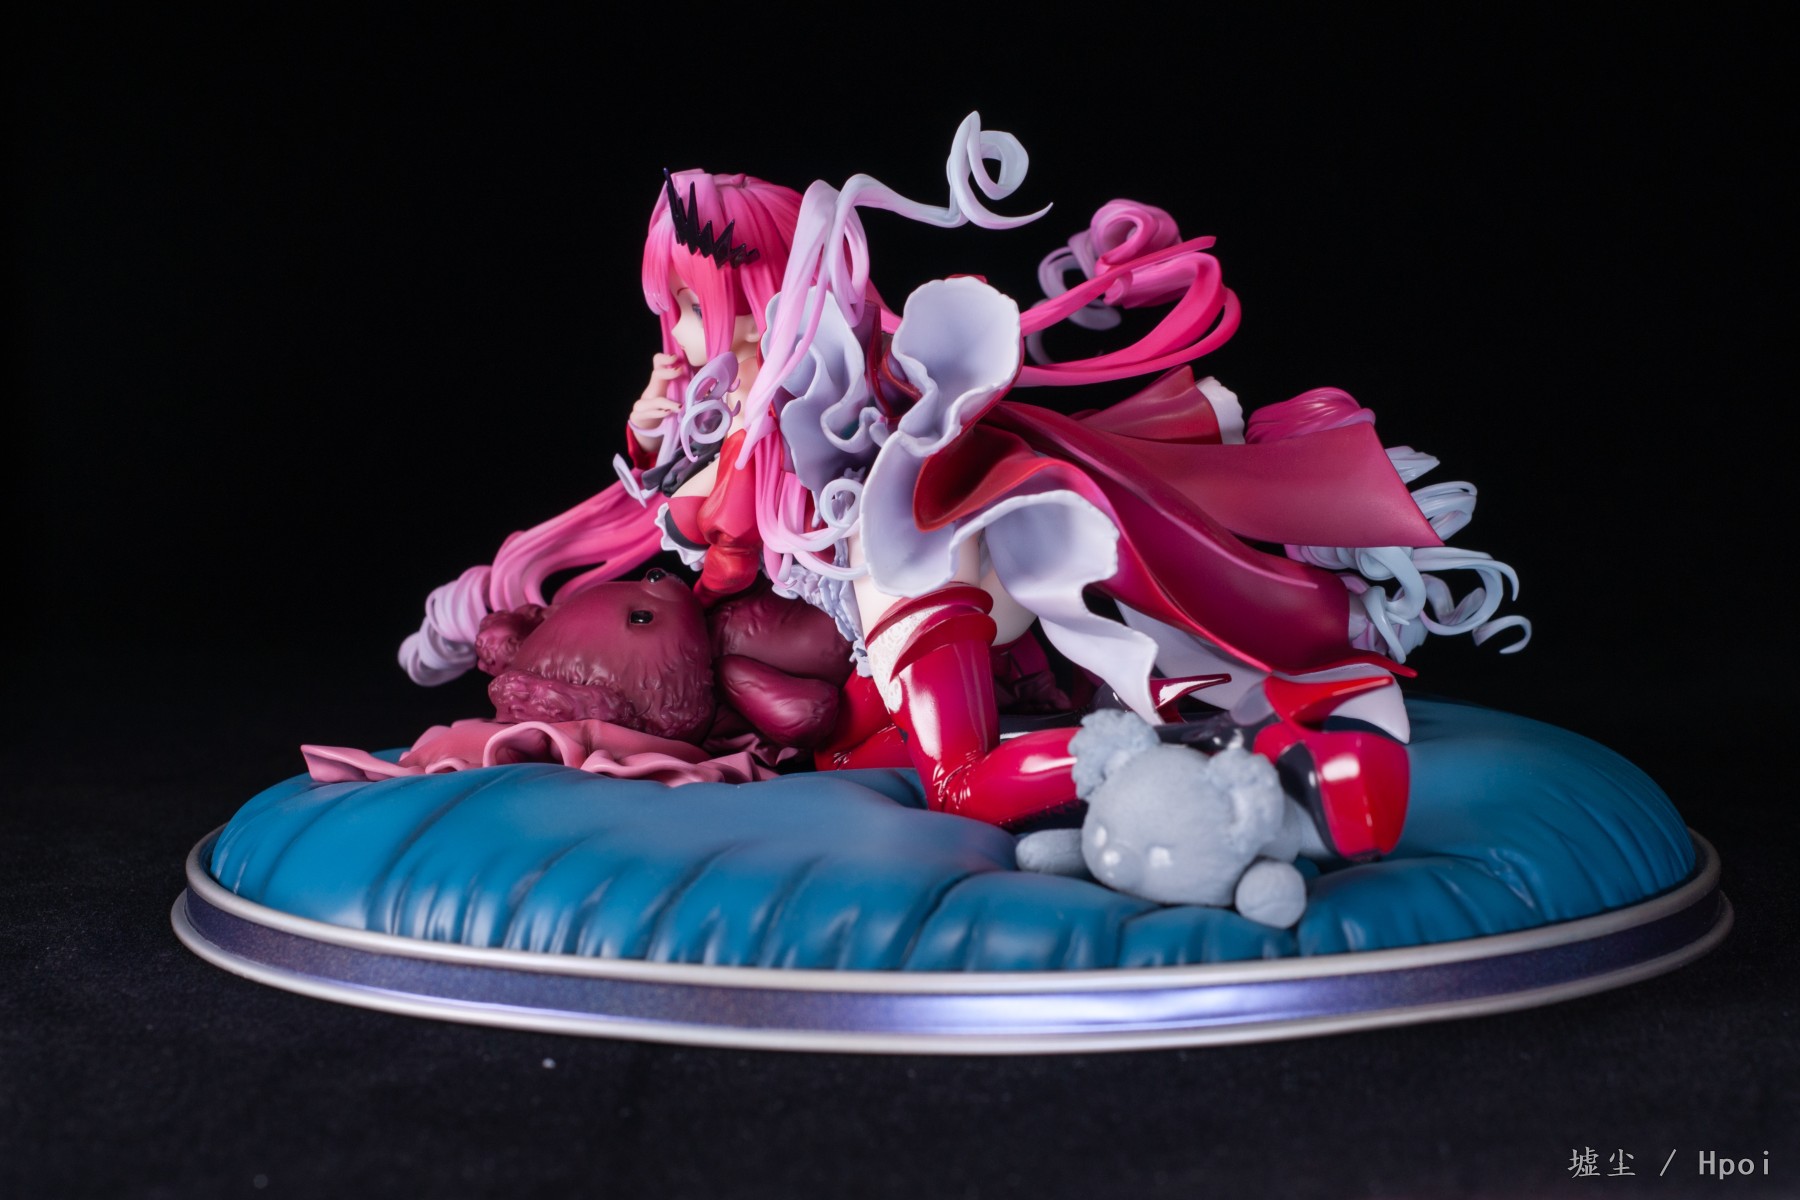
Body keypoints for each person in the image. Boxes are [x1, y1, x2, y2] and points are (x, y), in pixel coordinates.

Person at [398, 114, 1525, 859]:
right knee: (882, 749)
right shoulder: (756, 402)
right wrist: (654, 439)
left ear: (759, 299)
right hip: (900, 590)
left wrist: (678, 464)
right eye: (675, 309)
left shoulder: (784, 404)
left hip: (910, 562)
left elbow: (729, 544)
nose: (682, 331)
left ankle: (1267, 767)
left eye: (697, 305)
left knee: (962, 784)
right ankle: (1253, 742)